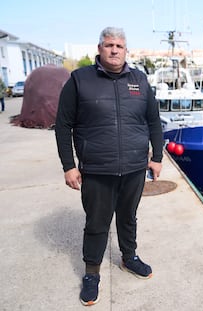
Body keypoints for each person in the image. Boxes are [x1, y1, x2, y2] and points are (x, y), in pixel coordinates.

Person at [55, 26, 163, 306]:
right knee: (97, 223)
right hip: (97, 169)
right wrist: (69, 165)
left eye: (119, 46)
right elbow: (63, 125)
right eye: (108, 45)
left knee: (128, 217)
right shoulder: (80, 79)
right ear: (99, 49)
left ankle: (129, 258)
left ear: (126, 51)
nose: (114, 50)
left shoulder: (139, 79)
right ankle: (92, 273)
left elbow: (153, 121)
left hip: (134, 167)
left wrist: (157, 157)